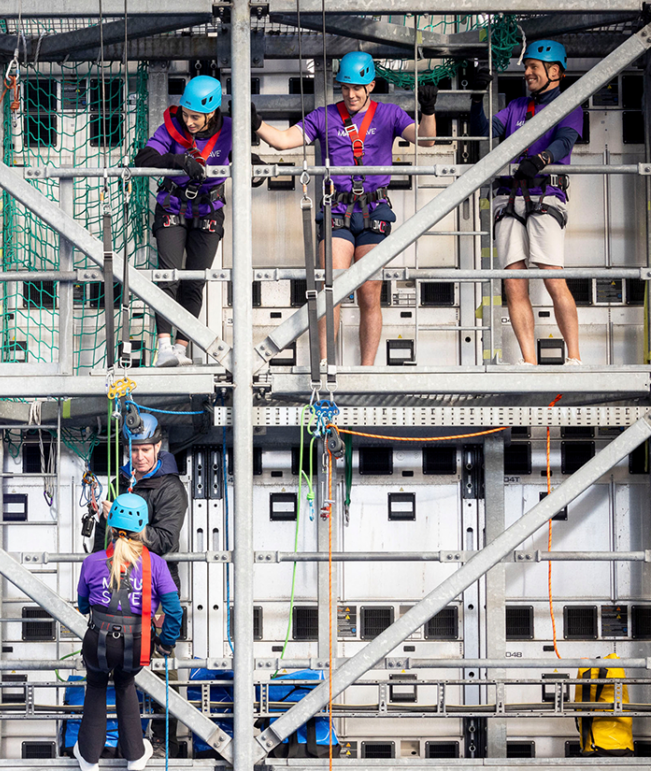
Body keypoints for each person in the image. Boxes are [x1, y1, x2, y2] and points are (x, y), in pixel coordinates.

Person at [255, 51, 438, 365]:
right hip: (337, 210)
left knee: (370, 291)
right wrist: (255, 122)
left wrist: (429, 111)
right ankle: (326, 364)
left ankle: (367, 370)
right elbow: (284, 141)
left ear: (371, 85)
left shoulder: (389, 115)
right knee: (332, 289)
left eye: (357, 87)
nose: (351, 94)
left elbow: (426, 140)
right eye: (344, 87)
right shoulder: (324, 116)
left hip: (374, 209)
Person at [467, 40, 584, 366]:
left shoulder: (569, 105)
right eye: (527, 66)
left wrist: (542, 159)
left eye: (533, 66)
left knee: (551, 276)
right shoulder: (517, 107)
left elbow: (565, 141)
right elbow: (483, 135)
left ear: (555, 71)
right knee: (514, 281)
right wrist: (476, 100)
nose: (527, 72)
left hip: (546, 195)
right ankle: (529, 361)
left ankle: (574, 358)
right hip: (509, 197)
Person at [73, 494, 184, 771]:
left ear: (110, 525)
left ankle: (88, 758)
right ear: (143, 529)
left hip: (97, 640)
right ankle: (135, 756)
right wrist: (165, 644)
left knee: (96, 686)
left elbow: (83, 604)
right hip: (137, 644)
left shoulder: (92, 561)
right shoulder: (156, 564)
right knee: (125, 685)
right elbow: (174, 611)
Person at [134, 75, 233, 367]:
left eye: (195, 117)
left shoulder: (228, 129)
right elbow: (144, 157)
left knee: (195, 281)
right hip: (173, 205)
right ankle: (164, 347)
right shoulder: (172, 127)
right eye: (186, 114)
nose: (188, 122)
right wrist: (177, 161)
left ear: (212, 112)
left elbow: (240, 152)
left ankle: (181, 346)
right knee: (168, 275)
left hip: (208, 209)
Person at [91, 412, 187, 589]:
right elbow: (102, 534)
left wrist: (122, 522)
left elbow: (166, 541)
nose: (140, 457)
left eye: (145, 450)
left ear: (157, 446)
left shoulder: (171, 488)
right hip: (120, 579)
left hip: (156, 582)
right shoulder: (118, 483)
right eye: (134, 450)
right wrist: (97, 572)